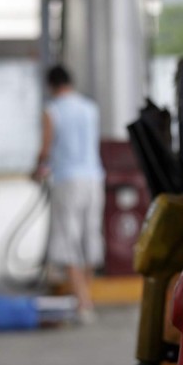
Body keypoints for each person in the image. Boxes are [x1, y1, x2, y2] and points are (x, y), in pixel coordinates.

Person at [33, 65, 105, 324]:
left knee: (68, 240)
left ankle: (83, 304)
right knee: (90, 238)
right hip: (94, 178)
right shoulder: (90, 108)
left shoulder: (52, 110)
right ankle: (85, 297)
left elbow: (45, 149)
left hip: (67, 180)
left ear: (51, 85)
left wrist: (36, 169)